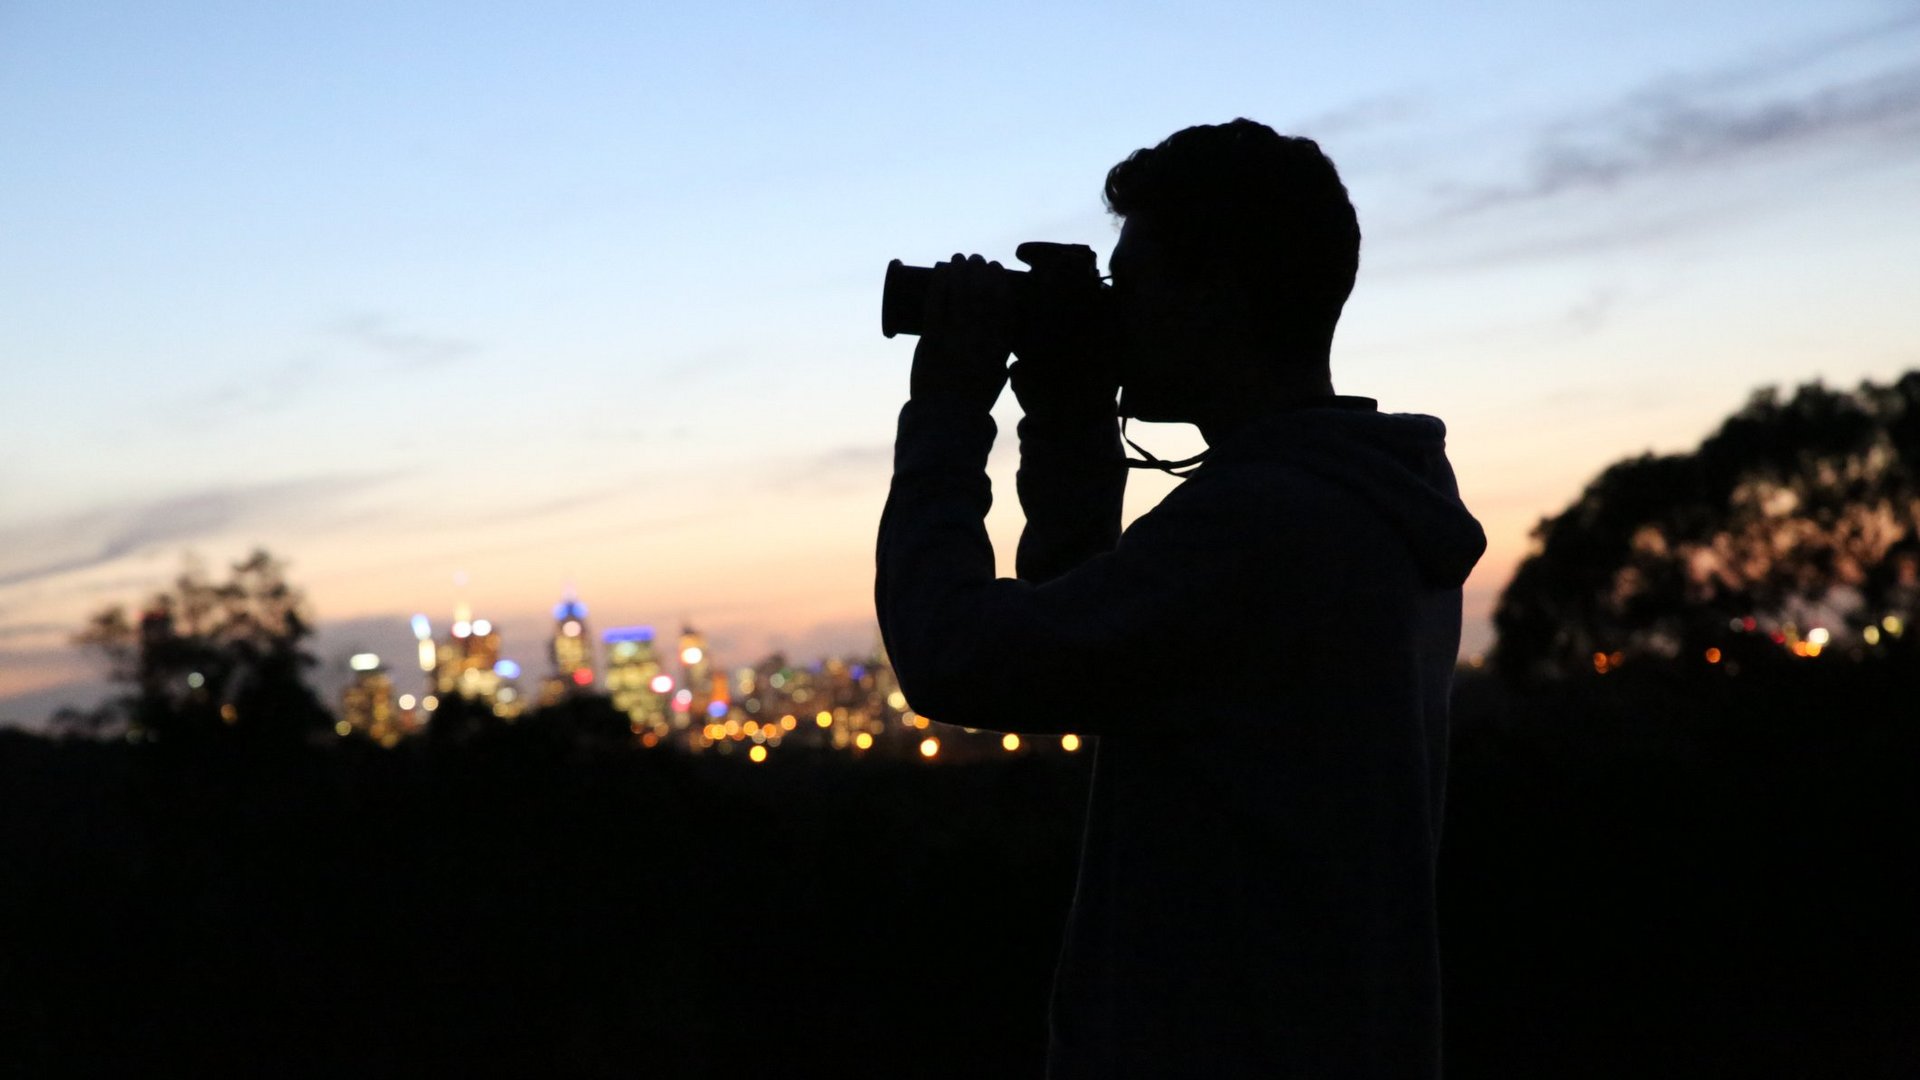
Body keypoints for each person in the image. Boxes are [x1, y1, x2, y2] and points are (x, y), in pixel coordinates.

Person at [874, 119, 1486, 1079]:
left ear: (1217, 293)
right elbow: (1086, 635)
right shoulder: (1366, 501)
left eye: (1135, 281)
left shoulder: (1269, 519)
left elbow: (955, 654)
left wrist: (949, 407)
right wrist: (1067, 423)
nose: (1115, 314)